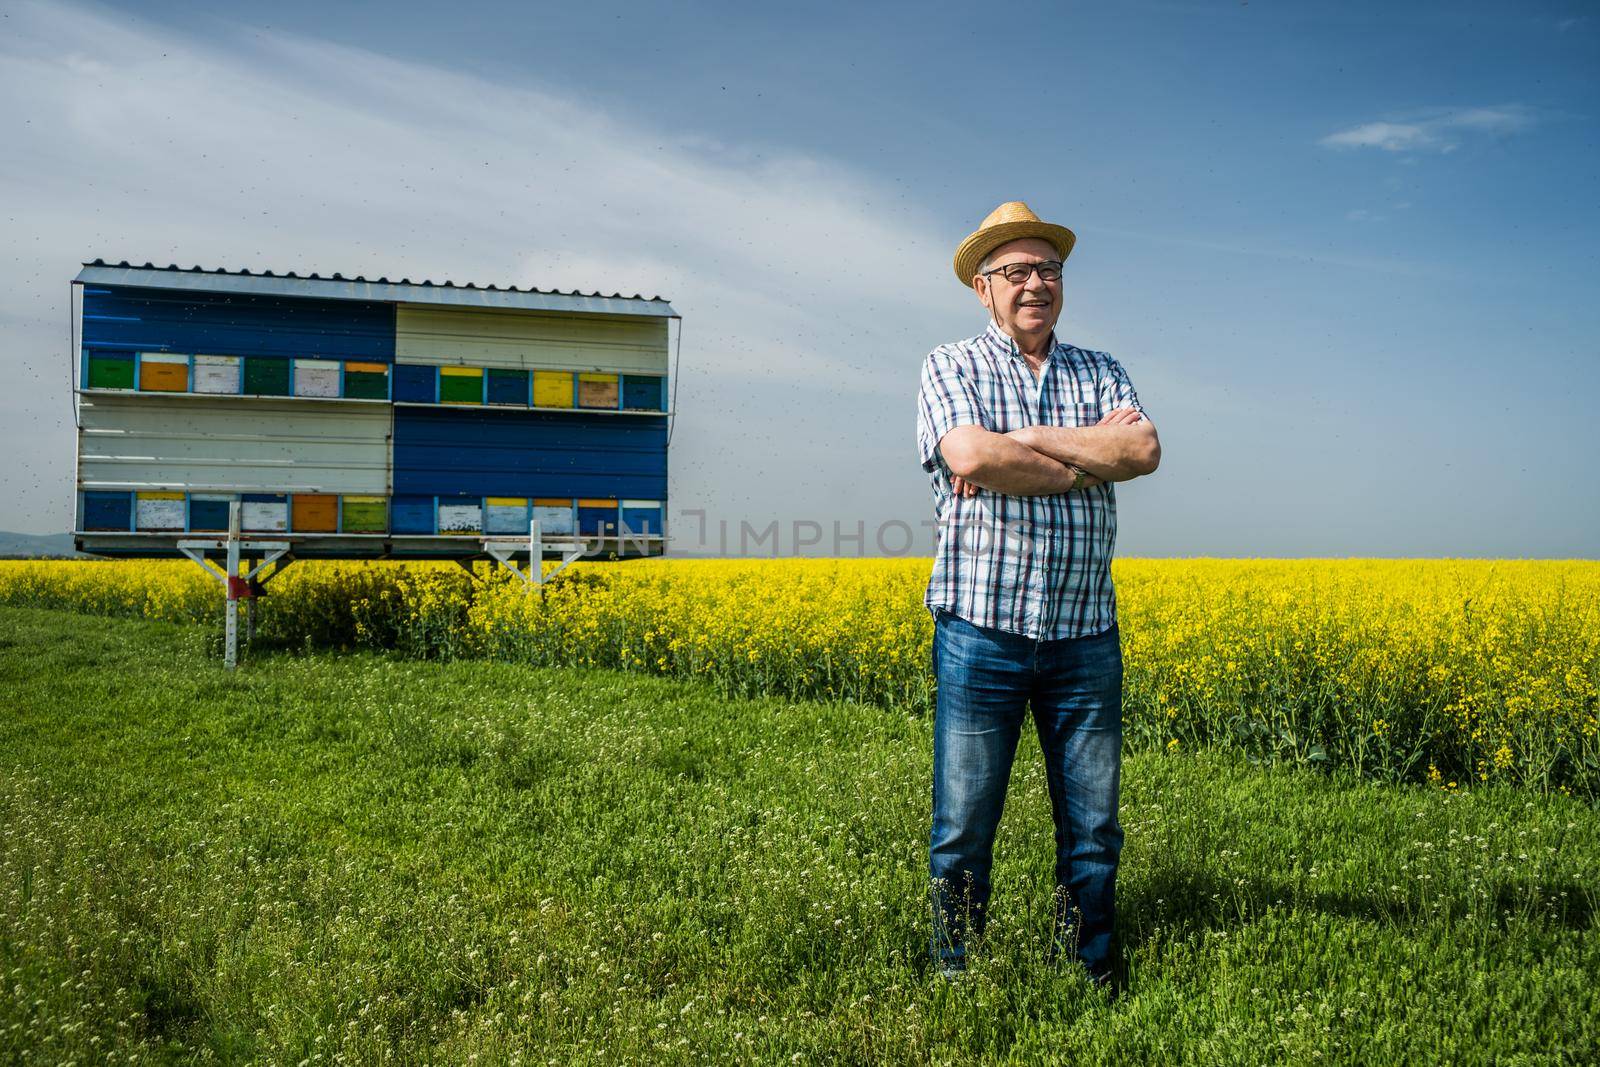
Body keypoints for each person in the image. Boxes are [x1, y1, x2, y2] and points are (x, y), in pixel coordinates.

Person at [915, 201, 1161, 989]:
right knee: (963, 824)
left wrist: (1019, 441)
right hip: (981, 628)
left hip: (1085, 632)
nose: (1034, 284)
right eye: (1015, 271)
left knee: (1093, 826)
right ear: (983, 288)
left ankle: (1088, 966)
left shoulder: (1101, 368)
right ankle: (957, 968)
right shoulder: (948, 364)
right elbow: (969, 454)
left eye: (1047, 269)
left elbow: (1143, 448)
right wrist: (1087, 458)